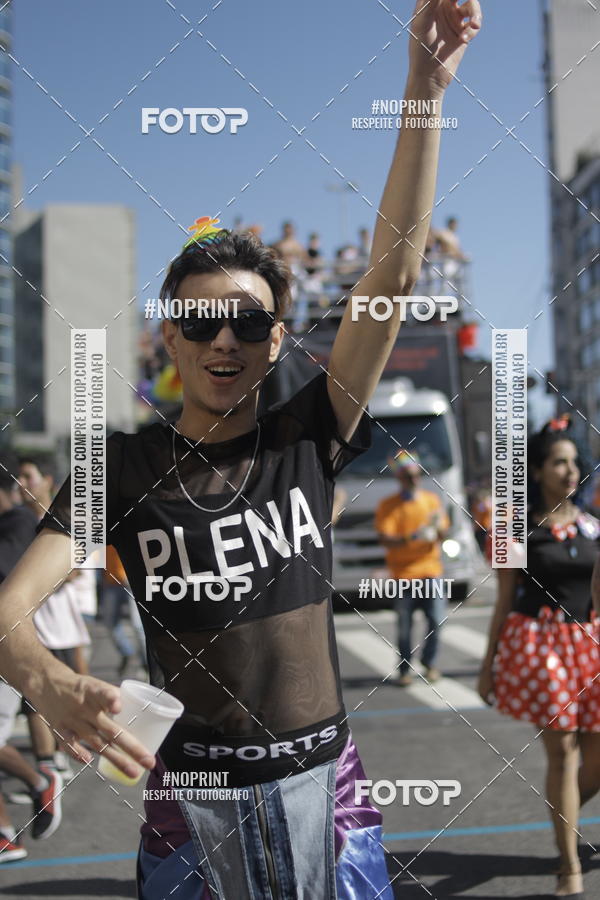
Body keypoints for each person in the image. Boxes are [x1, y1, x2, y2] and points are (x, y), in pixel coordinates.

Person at [0, 4, 481, 896]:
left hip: (329, 788)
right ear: (170, 341)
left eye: (248, 321)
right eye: (200, 320)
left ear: (275, 340)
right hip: (190, 799)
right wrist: (50, 684)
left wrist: (423, 91)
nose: (224, 339)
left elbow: (395, 276)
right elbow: (6, 609)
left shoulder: (313, 429)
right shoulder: (117, 465)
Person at [478, 415, 600, 899]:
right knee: (563, 753)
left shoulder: (593, 526)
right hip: (540, 645)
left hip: (589, 646)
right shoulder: (515, 526)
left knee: (592, 757)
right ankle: (568, 865)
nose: (569, 472)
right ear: (537, 470)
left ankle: (562, 808)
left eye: (574, 462)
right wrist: (487, 667)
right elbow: (503, 599)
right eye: (558, 462)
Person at [0, 453, 62, 861]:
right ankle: (4, 834)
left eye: (30, 475)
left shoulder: (19, 523)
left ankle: (40, 776)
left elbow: (11, 588)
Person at [375, 450, 450, 686]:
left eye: (417, 475)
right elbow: (385, 538)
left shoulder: (431, 500)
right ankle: (405, 668)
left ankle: (430, 663)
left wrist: (437, 531)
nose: (414, 479)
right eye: (409, 475)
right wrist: (411, 537)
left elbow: (443, 532)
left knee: (436, 620)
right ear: (399, 477)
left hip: (431, 571)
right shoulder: (388, 506)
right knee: (405, 627)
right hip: (403, 575)